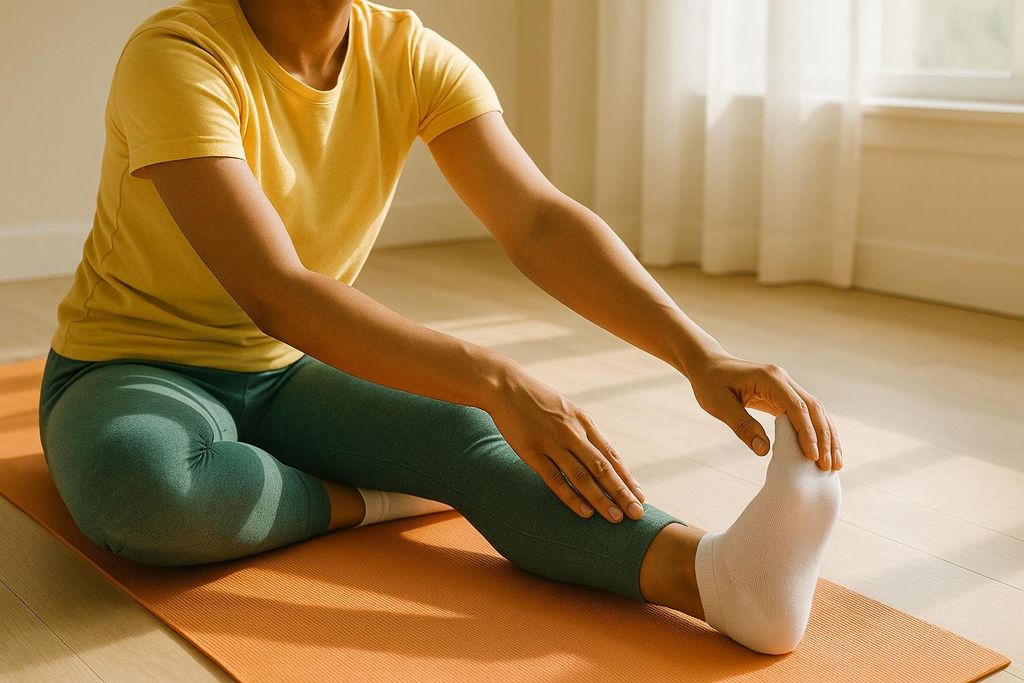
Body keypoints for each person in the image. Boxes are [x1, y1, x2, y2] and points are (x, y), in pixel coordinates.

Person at [37, 0, 843, 656]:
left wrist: (699, 354)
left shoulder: (412, 55)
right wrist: (497, 377)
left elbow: (538, 222)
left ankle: (720, 579)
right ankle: (369, 497)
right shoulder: (178, 54)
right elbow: (274, 290)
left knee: (478, 438)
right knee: (147, 489)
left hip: (290, 367)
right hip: (129, 365)